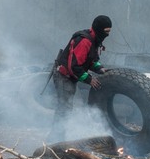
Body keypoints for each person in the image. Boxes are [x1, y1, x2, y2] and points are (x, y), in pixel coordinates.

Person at [47, 15, 112, 143]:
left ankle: (58, 137)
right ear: (99, 29)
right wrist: (89, 79)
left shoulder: (95, 39)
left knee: (66, 107)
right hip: (63, 76)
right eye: (106, 31)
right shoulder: (85, 41)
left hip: (71, 76)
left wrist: (100, 69)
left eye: (109, 31)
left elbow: (91, 60)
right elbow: (74, 66)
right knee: (64, 108)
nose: (108, 35)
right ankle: (55, 140)